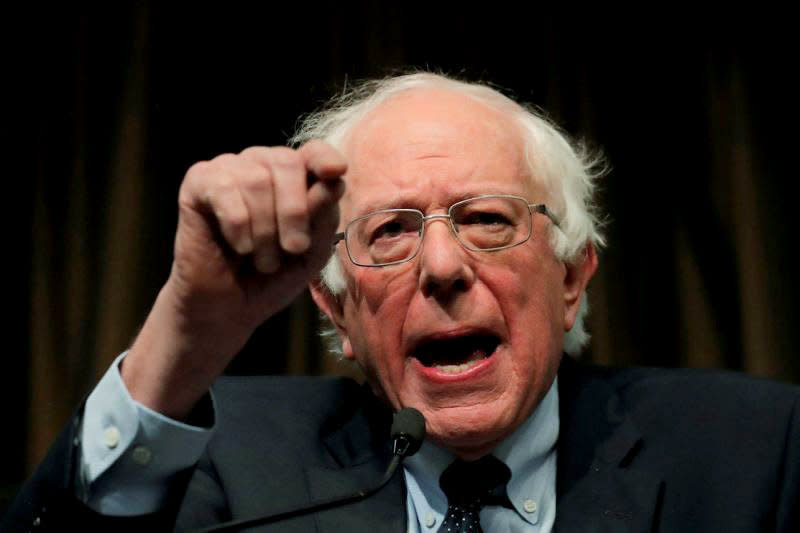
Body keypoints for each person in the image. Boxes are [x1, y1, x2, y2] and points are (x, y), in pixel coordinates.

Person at [4, 73, 798, 532]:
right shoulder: (227, 461)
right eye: (390, 232)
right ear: (335, 307)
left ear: (570, 277)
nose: (443, 266)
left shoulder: (753, 450)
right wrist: (182, 333)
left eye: (488, 219)